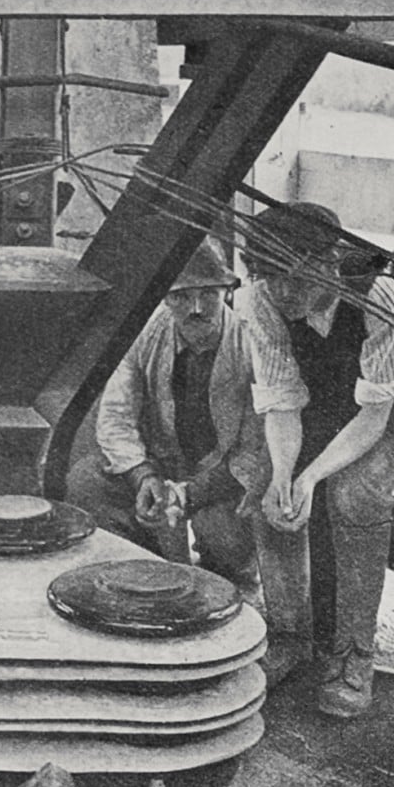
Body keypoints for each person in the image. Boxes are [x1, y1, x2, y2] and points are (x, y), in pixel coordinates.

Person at [66, 240, 313, 680]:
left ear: (227, 292)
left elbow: (258, 449)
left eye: (208, 294)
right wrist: (144, 477)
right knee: (87, 481)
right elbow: (116, 417)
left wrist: (193, 493)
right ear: (165, 298)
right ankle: (149, 574)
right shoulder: (146, 333)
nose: (196, 309)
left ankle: (237, 583)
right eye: (180, 296)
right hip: (163, 470)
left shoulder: (251, 342)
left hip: (223, 481)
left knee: (225, 541)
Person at [239, 202, 394, 718]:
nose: (282, 293)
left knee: (354, 490)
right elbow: (281, 401)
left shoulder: (384, 295)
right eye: (270, 278)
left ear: (331, 260)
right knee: (264, 482)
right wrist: (282, 476)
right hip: (328, 394)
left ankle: (353, 655)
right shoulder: (262, 298)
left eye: (294, 279)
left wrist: (314, 474)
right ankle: (292, 634)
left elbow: (374, 416)